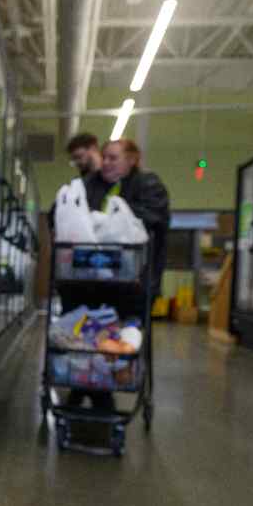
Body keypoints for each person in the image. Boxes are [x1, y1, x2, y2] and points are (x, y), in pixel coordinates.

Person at [54, 138, 170, 411]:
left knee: (116, 337)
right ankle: (87, 387)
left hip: (131, 285)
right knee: (84, 337)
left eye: (113, 158)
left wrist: (100, 221)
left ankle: (100, 391)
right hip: (86, 283)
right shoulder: (91, 185)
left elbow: (150, 219)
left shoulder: (148, 186)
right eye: (104, 157)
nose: (106, 162)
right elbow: (63, 213)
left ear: (132, 159)